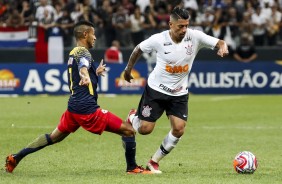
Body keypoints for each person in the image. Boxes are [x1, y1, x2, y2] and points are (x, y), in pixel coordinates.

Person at [5, 20, 151, 174]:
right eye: (93, 34)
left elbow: (82, 67)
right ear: (85, 34)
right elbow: (82, 67)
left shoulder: (73, 53)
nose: (95, 38)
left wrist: (95, 72)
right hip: (86, 109)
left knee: (53, 137)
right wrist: (86, 75)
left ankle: (16, 157)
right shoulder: (83, 52)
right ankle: (132, 168)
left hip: (74, 107)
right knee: (128, 130)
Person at [123, 7, 229, 174]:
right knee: (145, 130)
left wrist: (222, 47)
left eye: (186, 25)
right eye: (180, 26)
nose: (184, 29)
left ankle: (154, 161)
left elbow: (219, 42)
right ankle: (132, 117)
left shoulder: (194, 36)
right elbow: (138, 49)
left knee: (179, 128)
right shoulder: (158, 39)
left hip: (179, 92)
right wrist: (128, 70)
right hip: (156, 90)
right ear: (170, 24)